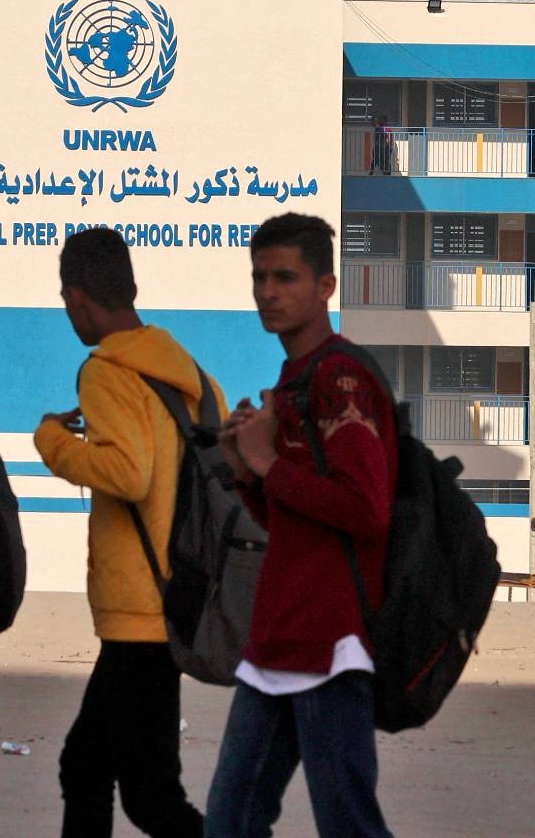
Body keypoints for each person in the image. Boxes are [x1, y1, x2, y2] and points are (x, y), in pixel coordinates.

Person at [205, 214, 396, 837]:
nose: (267, 291)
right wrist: (246, 472)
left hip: (331, 639)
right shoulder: (292, 382)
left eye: (285, 277)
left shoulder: (341, 378)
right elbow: (291, 521)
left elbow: (364, 510)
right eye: (259, 276)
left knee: (347, 824)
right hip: (280, 637)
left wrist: (263, 461)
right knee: (231, 822)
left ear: (326, 287)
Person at [35, 226, 211, 838]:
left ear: (77, 298)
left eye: (67, 302)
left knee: (148, 793)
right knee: (87, 766)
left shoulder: (107, 372)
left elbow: (128, 474)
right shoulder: (186, 373)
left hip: (141, 608)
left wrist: (52, 439)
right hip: (182, 593)